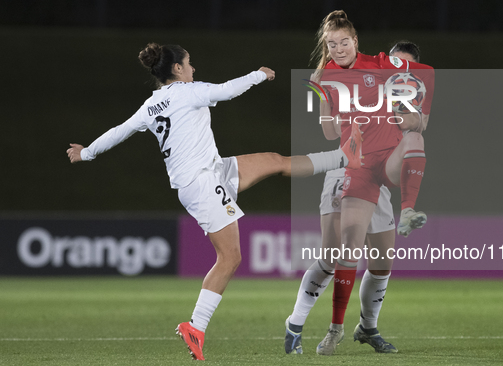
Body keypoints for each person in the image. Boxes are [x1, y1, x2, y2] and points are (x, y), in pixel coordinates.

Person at [66, 42, 361, 361]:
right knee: (230, 257)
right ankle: (196, 326)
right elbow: (225, 91)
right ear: (177, 69)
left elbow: (118, 132)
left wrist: (86, 153)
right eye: (189, 63)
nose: (193, 68)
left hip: (211, 170)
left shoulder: (151, 105)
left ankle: (342, 157)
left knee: (275, 160)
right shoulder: (185, 91)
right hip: (202, 182)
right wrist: (259, 75)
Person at [286, 11, 434, 356]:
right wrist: (339, 108)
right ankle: (303, 325)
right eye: (332, 43)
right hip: (346, 169)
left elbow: (418, 125)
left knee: (381, 263)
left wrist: (407, 114)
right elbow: (329, 131)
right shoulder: (328, 77)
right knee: (335, 255)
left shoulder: (396, 85)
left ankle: (367, 327)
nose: (338, 48)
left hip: (379, 174)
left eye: (344, 41)